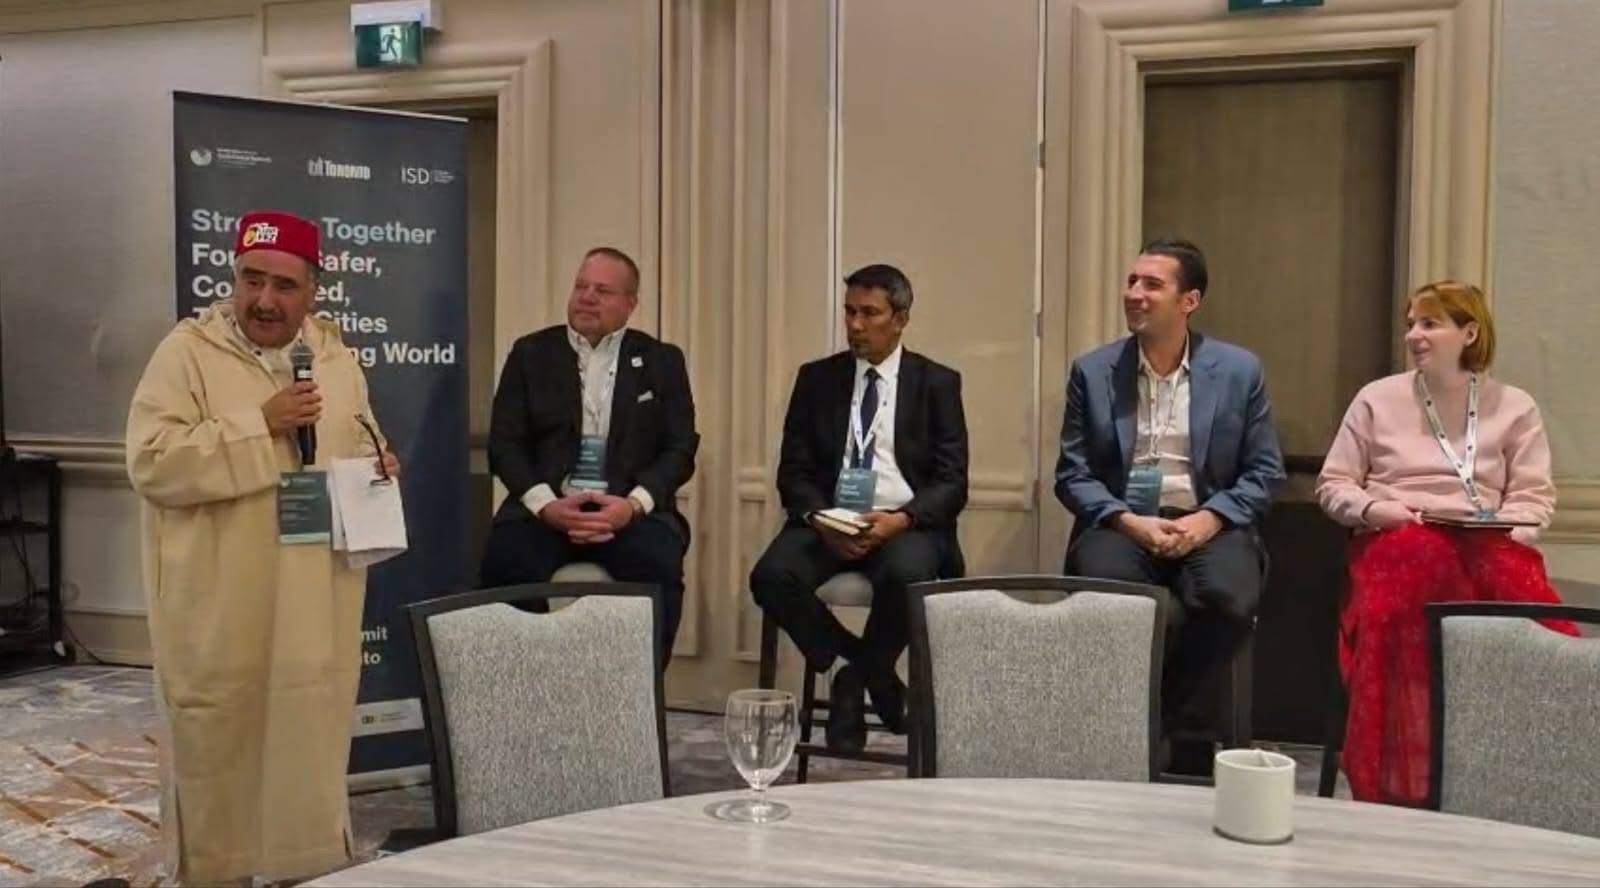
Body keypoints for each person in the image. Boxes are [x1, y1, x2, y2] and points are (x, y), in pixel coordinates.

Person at [126, 210, 399, 884]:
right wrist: (261, 425)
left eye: (283, 285)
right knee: (221, 740)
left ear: (313, 291)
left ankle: (303, 867)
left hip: (313, 597)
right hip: (221, 602)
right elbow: (152, 462)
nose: (264, 300)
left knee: (307, 736)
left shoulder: (335, 359)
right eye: (251, 280)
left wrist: (378, 465)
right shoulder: (186, 354)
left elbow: (359, 437)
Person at [1316, 279, 1579, 806]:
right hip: (1399, 537)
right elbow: (1334, 484)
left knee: (1549, 634)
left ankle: (1532, 776)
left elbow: (1532, 498)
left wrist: (1503, 530)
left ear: (1469, 333)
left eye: (1430, 324)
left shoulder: (1515, 406)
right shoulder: (1377, 398)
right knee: (1421, 561)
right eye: (1411, 323)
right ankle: (1402, 778)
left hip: (1486, 543)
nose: (1413, 335)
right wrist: (1377, 511)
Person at [1054, 237, 1285, 774]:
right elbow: (1072, 474)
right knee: (1112, 600)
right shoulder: (1093, 371)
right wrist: (1128, 521)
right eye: (1132, 281)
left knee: (1227, 599)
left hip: (1208, 520)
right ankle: (1167, 735)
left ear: (1189, 301)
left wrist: (1209, 519)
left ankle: (1160, 722)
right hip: (1122, 522)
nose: (1134, 293)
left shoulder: (1238, 371)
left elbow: (1264, 472)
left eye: (1152, 285)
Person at [750, 263, 968, 753]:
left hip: (904, 523)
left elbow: (952, 483)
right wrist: (821, 519)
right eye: (849, 312)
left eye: (869, 313)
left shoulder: (936, 383)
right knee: (771, 576)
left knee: (907, 575)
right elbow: (793, 472)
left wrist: (900, 520)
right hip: (830, 521)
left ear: (901, 319)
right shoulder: (817, 379)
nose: (855, 325)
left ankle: (854, 680)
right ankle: (866, 670)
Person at [480, 247, 698, 668]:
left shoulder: (661, 361)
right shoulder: (530, 354)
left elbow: (680, 447)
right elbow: (505, 445)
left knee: (658, 568)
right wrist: (547, 506)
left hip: (628, 512)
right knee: (504, 563)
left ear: (630, 303)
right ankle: (522, 689)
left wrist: (632, 506)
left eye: (603, 291)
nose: (587, 298)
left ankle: (636, 693)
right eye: (581, 286)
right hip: (545, 511)